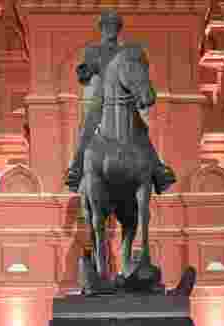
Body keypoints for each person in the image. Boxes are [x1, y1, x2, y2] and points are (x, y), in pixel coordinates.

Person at [64, 9, 176, 195]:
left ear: (118, 29)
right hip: (101, 98)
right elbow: (85, 77)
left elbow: (141, 74)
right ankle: (76, 171)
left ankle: (158, 171)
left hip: (126, 99)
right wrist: (84, 71)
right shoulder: (93, 50)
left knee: (141, 131)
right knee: (87, 130)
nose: (111, 29)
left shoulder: (129, 51)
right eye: (107, 25)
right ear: (101, 28)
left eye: (114, 25)